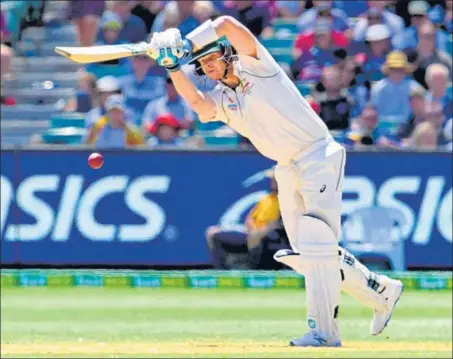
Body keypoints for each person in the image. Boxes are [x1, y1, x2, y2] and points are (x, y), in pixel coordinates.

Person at [147, 16, 403, 347]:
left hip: (317, 155)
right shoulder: (224, 101)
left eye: (212, 58)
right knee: (308, 252)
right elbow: (197, 103)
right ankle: (381, 289)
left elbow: (226, 23)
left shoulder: (259, 68)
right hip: (286, 167)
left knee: (315, 244)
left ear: (228, 55)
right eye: (202, 63)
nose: (208, 67)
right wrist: (171, 65)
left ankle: (324, 333)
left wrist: (187, 42)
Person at [206, 167, 288, 270]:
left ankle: (252, 270)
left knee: (255, 235)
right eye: (272, 179)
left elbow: (278, 224)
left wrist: (261, 230)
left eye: (275, 179)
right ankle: (221, 271)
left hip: (270, 233)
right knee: (212, 231)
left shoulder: (287, 200)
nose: (272, 182)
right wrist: (250, 226)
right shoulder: (267, 198)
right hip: (252, 230)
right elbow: (250, 218)